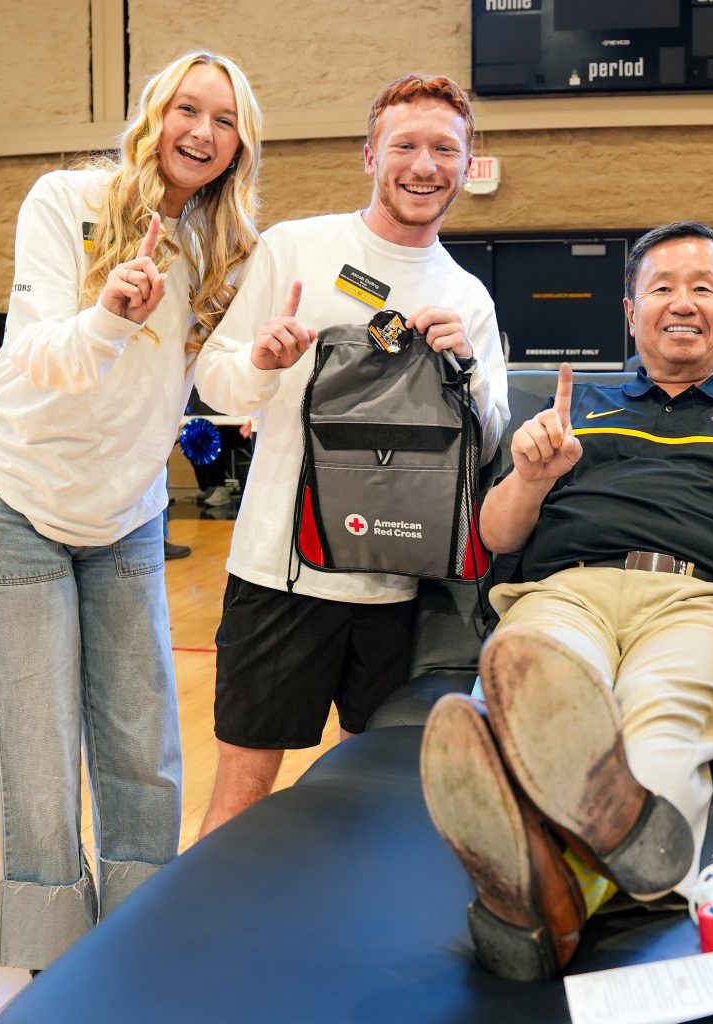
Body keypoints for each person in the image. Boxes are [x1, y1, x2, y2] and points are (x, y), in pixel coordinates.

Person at [420, 221, 713, 982]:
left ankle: (547, 880)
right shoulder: (575, 409)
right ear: (630, 311)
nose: (682, 303)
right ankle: (592, 853)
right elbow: (495, 533)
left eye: (702, 287)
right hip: (565, 589)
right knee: (542, 675)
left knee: (662, 720)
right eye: (661, 288)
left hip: (700, 602)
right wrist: (533, 476)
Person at [0, 50, 262, 972]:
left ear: (240, 143)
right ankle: (55, 954)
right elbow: (34, 357)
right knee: (38, 751)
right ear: (154, 113)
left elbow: (216, 380)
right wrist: (111, 316)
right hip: (15, 498)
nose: (201, 133)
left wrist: (269, 357)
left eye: (224, 119)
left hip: (123, 513)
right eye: (187, 110)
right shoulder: (66, 201)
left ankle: (139, 936)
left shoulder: (227, 244)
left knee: (144, 742)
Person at [194, 73, 510, 837]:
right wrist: (263, 364)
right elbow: (215, 385)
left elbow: (493, 440)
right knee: (241, 795)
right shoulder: (296, 247)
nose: (424, 165)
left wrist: (464, 371)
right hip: (279, 573)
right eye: (405, 145)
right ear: (371, 155)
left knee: (368, 799)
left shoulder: (468, 295)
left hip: (401, 590)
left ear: (468, 167)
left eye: (445, 149)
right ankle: (208, 952)